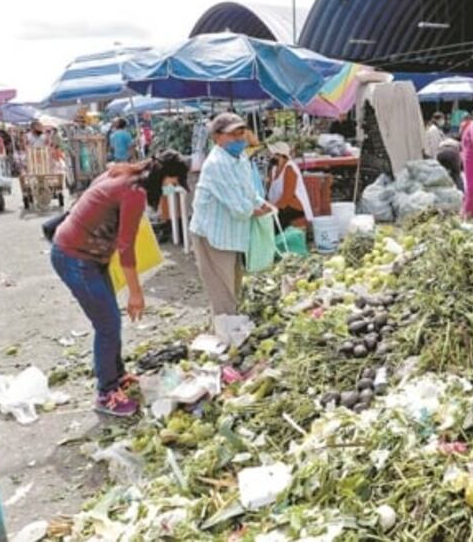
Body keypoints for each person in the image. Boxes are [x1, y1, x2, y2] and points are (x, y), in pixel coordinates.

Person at [52, 150, 189, 416]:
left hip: (86, 254)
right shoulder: (134, 191)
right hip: (76, 256)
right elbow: (126, 247)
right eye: (173, 183)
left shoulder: (125, 172)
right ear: (164, 176)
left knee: (110, 320)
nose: (171, 189)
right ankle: (105, 393)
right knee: (108, 325)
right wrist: (136, 293)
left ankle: (116, 375)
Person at [190, 113, 272, 318]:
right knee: (222, 292)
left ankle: (230, 329)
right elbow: (239, 207)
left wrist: (262, 203)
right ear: (217, 137)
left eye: (241, 132)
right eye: (232, 134)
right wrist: (256, 210)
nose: (239, 138)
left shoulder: (240, 157)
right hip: (212, 236)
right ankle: (226, 335)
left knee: (234, 285)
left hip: (232, 233)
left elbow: (248, 191)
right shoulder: (217, 163)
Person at [266, 141, 314, 229]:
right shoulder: (273, 170)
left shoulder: (289, 168)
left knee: (273, 223)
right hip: (280, 206)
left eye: (273, 154)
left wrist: (272, 209)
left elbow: (287, 196)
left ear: (280, 156)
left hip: (294, 207)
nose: (270, 156)